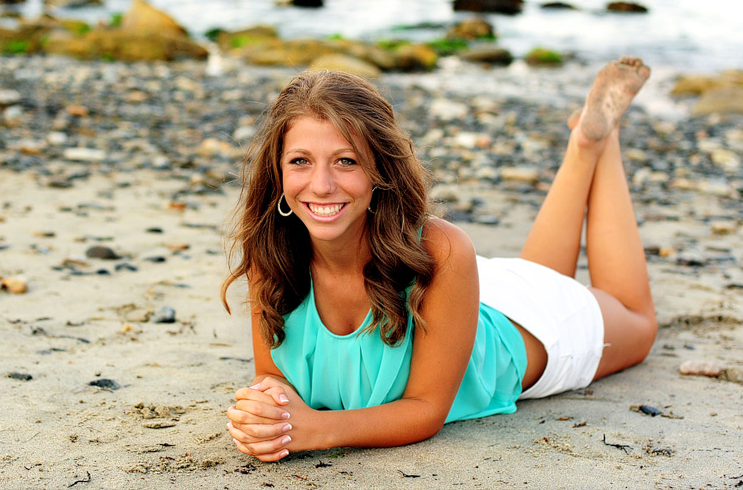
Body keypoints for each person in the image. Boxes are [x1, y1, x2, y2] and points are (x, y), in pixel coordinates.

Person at [221, 57, 657, 462]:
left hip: (526, 327)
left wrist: (318, 429)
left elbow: (426, 410)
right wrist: (267, 410)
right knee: (539, 273)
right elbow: (272, 375)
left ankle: (603, 138)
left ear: (380, 171)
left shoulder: (442, 249)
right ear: (277, 171)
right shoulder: (272, 252)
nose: (321, 184)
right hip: (462, 297)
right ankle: (583, 146)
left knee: (638, 321)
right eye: (300, 161)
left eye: (346, 161)